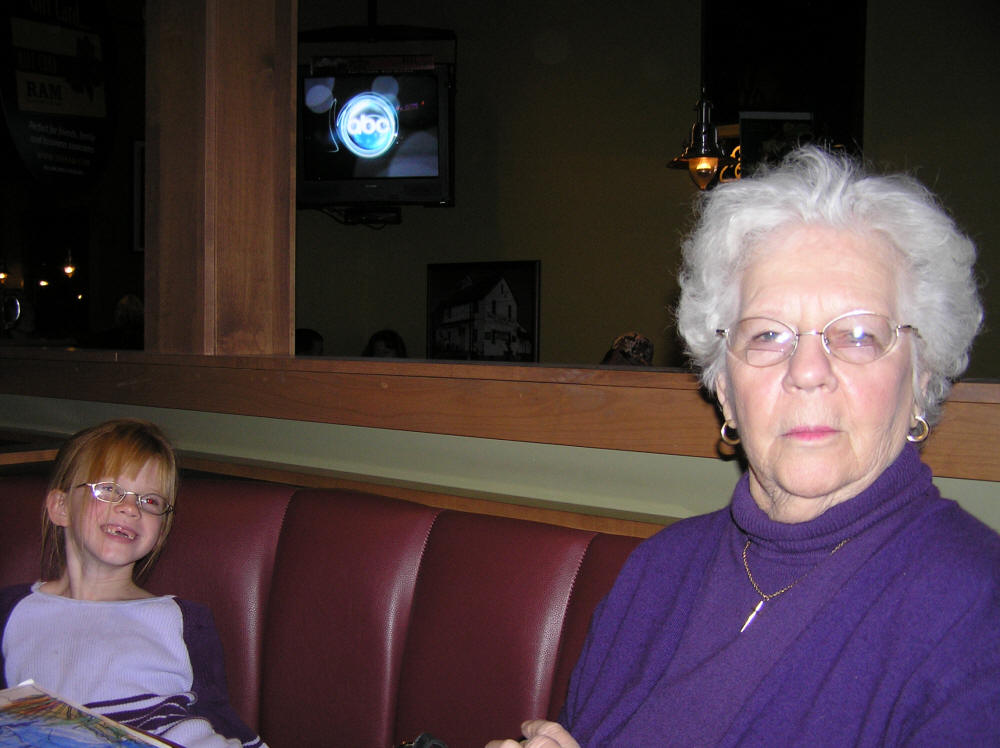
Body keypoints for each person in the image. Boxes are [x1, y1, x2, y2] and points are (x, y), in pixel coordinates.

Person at [487, 146, 1000, 747]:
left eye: (858, 334)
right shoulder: (658, 570)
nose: (807, 371)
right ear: (726, 390)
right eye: (768, 335)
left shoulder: (977, 613)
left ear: (921, 378)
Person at [0, 419, 267, 748]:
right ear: (61, 507)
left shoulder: (184, 621)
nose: (129, 508)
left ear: (161, 530)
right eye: (109, 490)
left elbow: (219, 717)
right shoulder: (12, 611)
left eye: (150, 501)